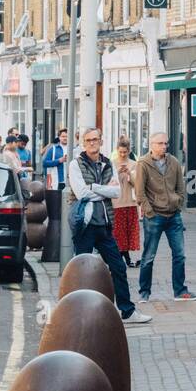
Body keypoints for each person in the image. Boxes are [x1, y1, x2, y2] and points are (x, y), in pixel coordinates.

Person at [67, 128, 151, 324]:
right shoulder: (75, 165)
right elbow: (81, 193)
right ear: (82, 143)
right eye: (88, 140)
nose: (92, 143)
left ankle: (127, 311)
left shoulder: (107, 164)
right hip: (85, 225)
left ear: (101, 141)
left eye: (95, 139)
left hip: (104, 224)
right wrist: (102, 190)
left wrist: (95, 188)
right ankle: (80, 314)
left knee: (119, 267)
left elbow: (116, 192)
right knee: (82, 271)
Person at [133, 133, 195, 302]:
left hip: (174, 216)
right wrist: (149, 211)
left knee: (180, 255)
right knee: (148, 257)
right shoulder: (143, 164)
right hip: (154, 217)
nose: (164, 146)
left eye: (166, 143)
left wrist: (178, 203)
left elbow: (180, 187)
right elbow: (140, 193)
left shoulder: (173, 162)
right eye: (160, 143)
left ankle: (180, 291)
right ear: (151, 145)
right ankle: (144, 293)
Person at [40, 128, 70, 264]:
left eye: (66, 136)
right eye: (63, 136)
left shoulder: (73, 149)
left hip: (68, 182)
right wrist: (59, 160)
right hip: (56, 182)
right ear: (59, 137)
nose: (65, 138)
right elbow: (45, 163)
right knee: (57, 215)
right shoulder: (53, 149)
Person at [111, 138, 141, 266]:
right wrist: (117, 173)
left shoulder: (134, 164)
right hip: (116, 203)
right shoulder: (112, 163)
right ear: (117, 150)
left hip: (130, 202)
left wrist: (130, 174)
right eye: (121, 152)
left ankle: (127, 259)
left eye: (125, 152)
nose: (123, 154)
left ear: (129, 151)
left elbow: (137, 184)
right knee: (118, 233)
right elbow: (109, 183)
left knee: (129, 233)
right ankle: (125, 260)